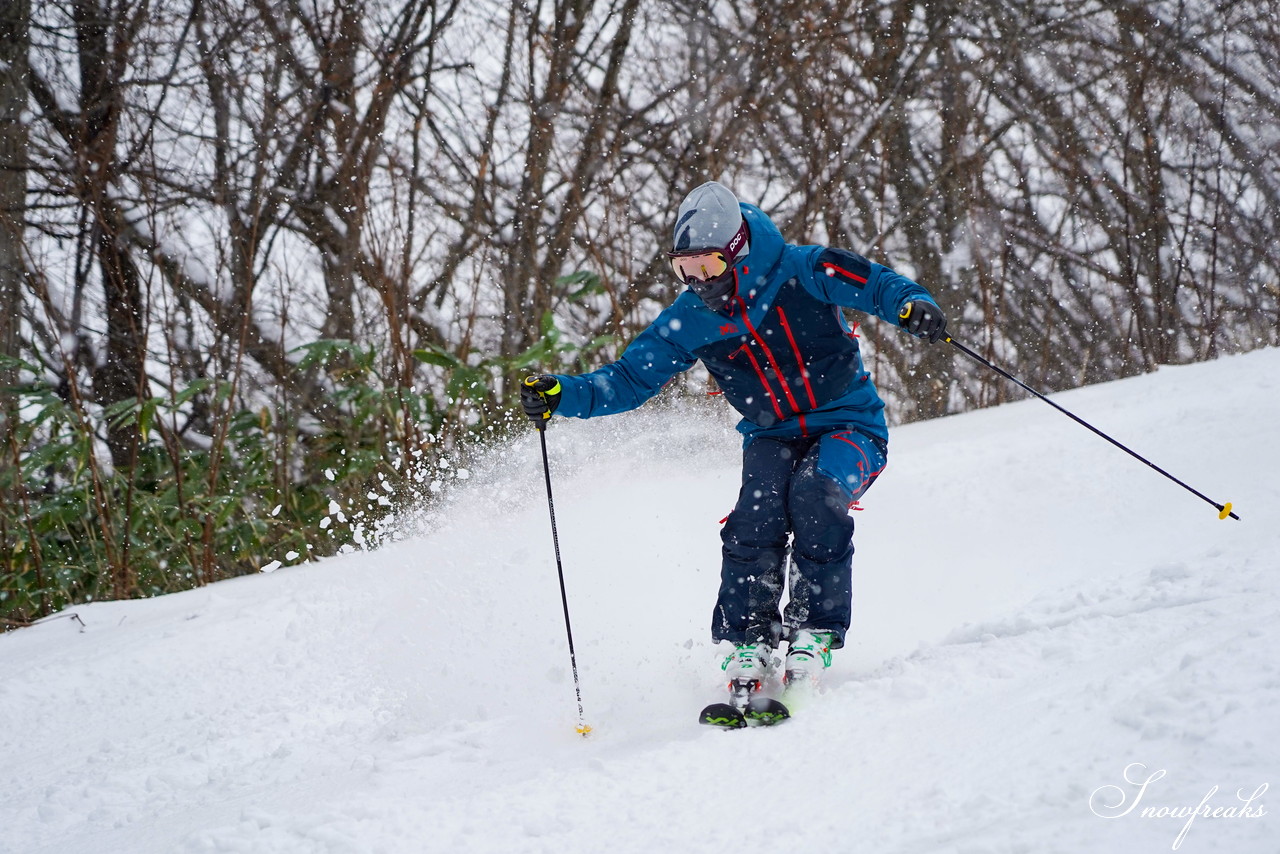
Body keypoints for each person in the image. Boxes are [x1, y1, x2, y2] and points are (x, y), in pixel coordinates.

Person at [520, 181, 945, 702]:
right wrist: (563, 394)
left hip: (850, 425)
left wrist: (913, 305)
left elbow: (878, 285)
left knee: (816, 496)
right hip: (771, 434)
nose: (700, 282)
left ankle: (814, 631)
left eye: (709, 267)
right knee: (756, 516)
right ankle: (749, 640)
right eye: (685, 269)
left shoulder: (805, 269)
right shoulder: (691, 318)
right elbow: (629, 380)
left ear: (739, 250)